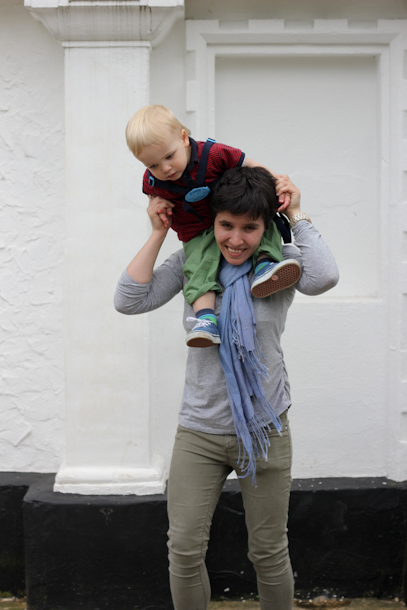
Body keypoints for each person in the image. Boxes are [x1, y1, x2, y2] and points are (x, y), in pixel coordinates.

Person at [114, 167, 339, 610]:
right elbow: (129, 299)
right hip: (199, 431)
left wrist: (295, 212)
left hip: (266, 428)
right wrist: (159, 232)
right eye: (226, 225)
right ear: (212, 221)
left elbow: (325, 277)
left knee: (269, 552)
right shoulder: (194, 259)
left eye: (249, 228)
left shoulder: (281, 267)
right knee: (183, 548)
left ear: (264, 227)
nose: (236, 239)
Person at [125, 105, 302, 348]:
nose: (164, 169)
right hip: (195, 233)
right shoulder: (153, 181)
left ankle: (265, 265)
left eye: (168, 156)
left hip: (229, 219)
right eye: (153, 165)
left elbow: (252, 166)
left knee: (265, 223)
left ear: (184, 138)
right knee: (199, 267)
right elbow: (127, 301)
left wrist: (278, 185)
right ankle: (206, 320)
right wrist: (158, 214)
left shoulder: (214, 154)